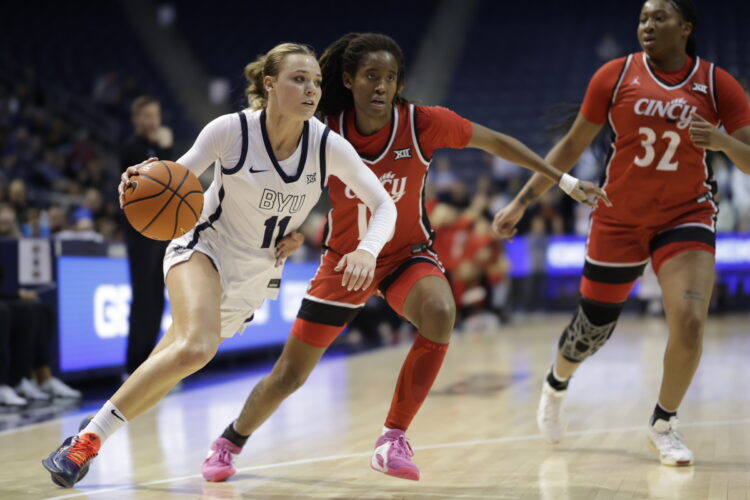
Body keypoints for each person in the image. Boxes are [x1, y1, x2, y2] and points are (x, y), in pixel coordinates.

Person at [202, 32, 608, 483]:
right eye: (371, 76)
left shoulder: (422, 123)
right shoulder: (323, 130)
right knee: (290, 375)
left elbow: (497, 143)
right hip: (346, 261)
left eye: (390, 77)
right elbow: (279, 176)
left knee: (440, 310)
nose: (381, 86)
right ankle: (230, 441)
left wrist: (565, 181)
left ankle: (392, 437)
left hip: (405, 256)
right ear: (349, 80)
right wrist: (288, 228)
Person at [42, 42, 398, 488]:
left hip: (255, 274)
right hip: (202, 245)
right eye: (299, 79)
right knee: (197, 348)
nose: (311, 89)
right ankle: (84, 445)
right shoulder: (232, 130)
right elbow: (175, 178)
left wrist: (367, 249)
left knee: (171, 364)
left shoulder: (327, 146)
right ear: (270, 84)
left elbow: (384, 204)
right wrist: (140, 180)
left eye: (316, 82)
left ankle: (89, 432)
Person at [492, 0, 750, 466]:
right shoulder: (614, 75)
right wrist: (522, 202)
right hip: (619, 217)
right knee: (592, 330)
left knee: (690, 321)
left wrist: (722, 141)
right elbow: (572, 143)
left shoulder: (717, 84)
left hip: (685, 215)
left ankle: (663, 424)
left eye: (659, 17)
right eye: (643, 18)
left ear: (685, 27)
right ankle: (556, 383)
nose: (647, 25)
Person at [120, 96, 173, 377]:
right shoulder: (131, 148)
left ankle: (148, 366)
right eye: (147, 116)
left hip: (161, 232)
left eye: (156, 115)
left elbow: (175, 181)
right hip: (140, 233)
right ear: (135, 119)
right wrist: (164, 148)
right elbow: (155, 181)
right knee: (142, 299)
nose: (153, 121)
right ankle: (133, 367)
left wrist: (166, 149)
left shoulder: (159, 146)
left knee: (157, 299)